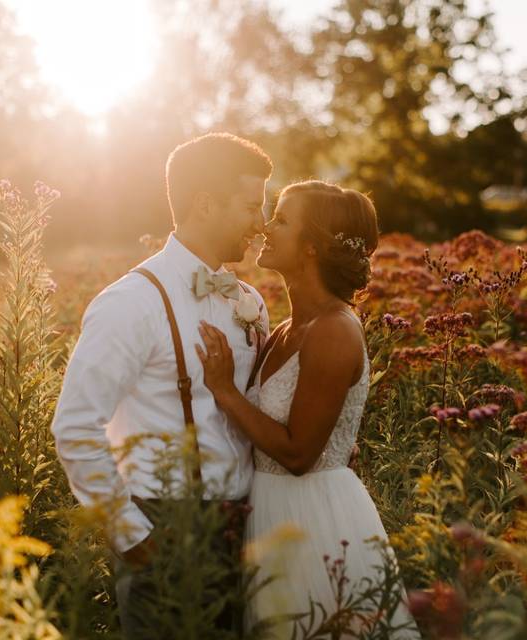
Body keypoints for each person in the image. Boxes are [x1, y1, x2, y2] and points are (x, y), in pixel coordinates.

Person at [50, 132, 272, 637]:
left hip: (247, 527)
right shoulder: (130, 302)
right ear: (204, 204)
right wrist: (130, 534)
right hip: (165, 529)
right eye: (250, 206)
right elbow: (76, 425)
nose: (261, 223)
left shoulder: (251, 302)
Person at [196, 180, 419, 638]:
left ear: (313, 247)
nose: (264, 228)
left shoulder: (334, 330)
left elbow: (299, 455)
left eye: (281, 219)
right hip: (268, 511)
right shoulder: (281, 330)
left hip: (315, 519)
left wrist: (225, 390)